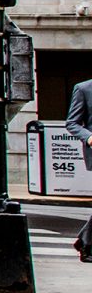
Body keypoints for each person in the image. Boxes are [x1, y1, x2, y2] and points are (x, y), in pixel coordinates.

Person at [67, 78, 92, 262]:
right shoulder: (84, 88)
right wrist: (89, 137)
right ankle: (85, 241)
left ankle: (85, 240)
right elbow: (72, 123)